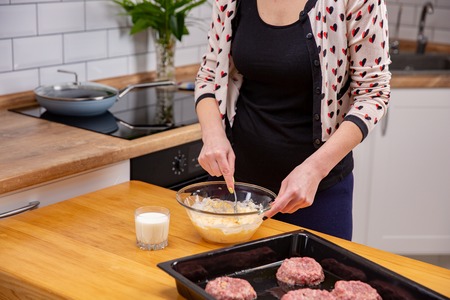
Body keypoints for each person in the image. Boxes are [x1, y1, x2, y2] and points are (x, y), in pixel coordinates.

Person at [194, 0, 391, 240]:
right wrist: (213, 134)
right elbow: (209, 72)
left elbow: (373, 94)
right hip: (235, 193)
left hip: (316, 196)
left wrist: (315, 169)